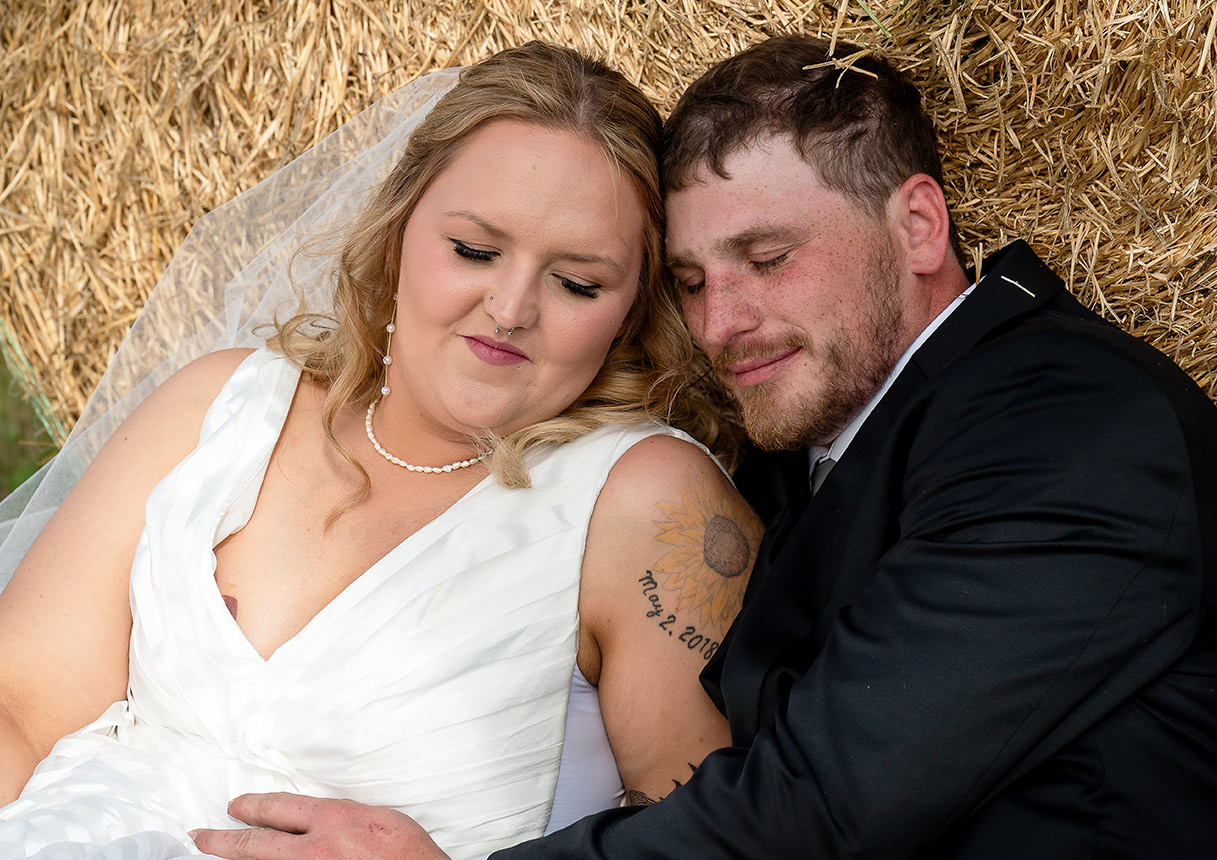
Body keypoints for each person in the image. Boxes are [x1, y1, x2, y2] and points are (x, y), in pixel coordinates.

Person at [194, 33, 1217, 860]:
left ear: (917, 226)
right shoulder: (801, 444)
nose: (722, 323)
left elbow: (823, 797)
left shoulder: (1076, 424)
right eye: (691, 279)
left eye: (767, 257)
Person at [0, 41, 763, 860]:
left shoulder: (649, 504)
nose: (508, 307)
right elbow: (22, 705)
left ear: (631, 310)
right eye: (474, 250)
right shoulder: (220, 406)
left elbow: (720, 843)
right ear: (398, 229)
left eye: (577, 283)